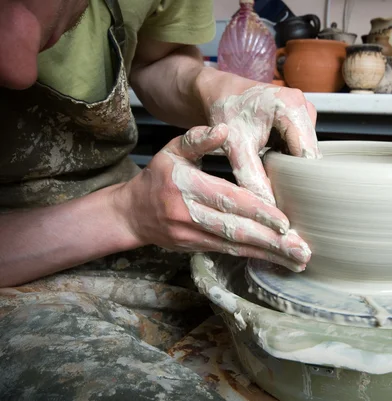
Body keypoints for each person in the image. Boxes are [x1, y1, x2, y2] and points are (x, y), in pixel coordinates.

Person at [0, 0, 320, 399]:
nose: (18, 69)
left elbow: (157, 61)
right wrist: (126, 214)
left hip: (138, 215)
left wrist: (217, 88)